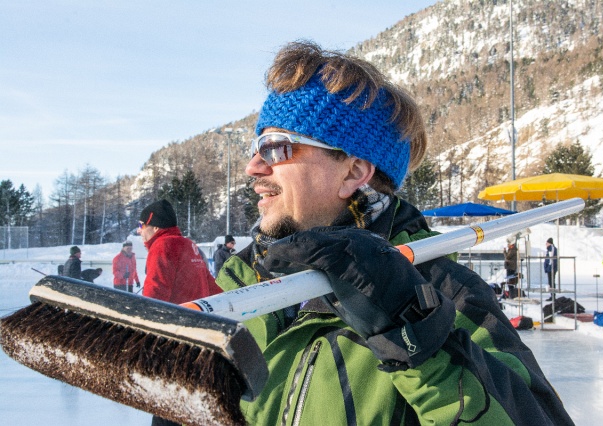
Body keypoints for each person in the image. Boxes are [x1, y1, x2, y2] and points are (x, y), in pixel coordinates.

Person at [213, 41, 573, 424]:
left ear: (353, 173)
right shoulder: (240, 282)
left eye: (275, 148)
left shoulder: (446, 294)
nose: (253, 167)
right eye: (256, 147)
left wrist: (416, 335)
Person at [137, 199, 222, 426]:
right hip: (198, 338)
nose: (139, 231)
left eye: (141, 225)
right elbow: (212, 288)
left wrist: (142, 335)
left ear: (155, 226)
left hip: (173, 341)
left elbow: (155, 294)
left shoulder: (162, 246)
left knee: (167, 408)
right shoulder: (188, 244)